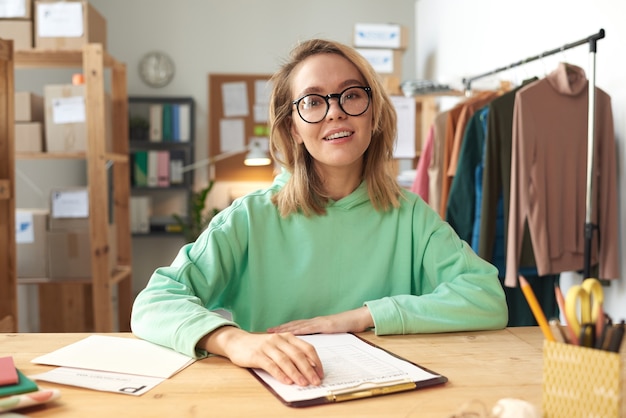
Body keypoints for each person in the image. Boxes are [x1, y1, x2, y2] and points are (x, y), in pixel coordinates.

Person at [131, 38, 508, 388]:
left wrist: (362, 316)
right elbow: (154, 302)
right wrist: (233, 341)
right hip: (279, 398)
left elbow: (486, 298)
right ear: (292, 128)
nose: (336, 113)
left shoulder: (409, 215)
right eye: (312, 101)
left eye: (352, 95)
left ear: (372, 113)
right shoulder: (251, 217)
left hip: (387, 400)